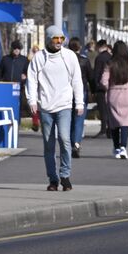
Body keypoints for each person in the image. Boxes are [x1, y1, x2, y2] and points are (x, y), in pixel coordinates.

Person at [27, 26, 85, 191]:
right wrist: (32, 100)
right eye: (55, 38)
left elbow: (77, 80)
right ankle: (53, 179)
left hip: (64, 105)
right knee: (48, 144)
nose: (59, 41)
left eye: (61, 38)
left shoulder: (69, 56)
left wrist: (79, 102)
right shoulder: (40, 57)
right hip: (45, 106)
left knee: (65, 140)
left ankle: (65, 175)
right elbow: (32, 80)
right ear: (49, 39)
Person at [100, 41, 128, 159]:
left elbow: (103, 81)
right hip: (127, 93)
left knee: (114, 123)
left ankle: (116, 148)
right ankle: (123, 147)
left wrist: (109, 88)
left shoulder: (110, 63)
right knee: (125, 122)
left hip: (114, 94)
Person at [67, 37, 92, 158]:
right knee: (79, 119)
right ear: (80, 47)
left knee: (70, 119)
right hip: (81, 91)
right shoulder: (84, 61)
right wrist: (94, 90)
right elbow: (90, 77)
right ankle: (76, 144)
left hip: (67, 92)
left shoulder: (65, 60)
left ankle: (71, 143)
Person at [91, 39, 113, 137]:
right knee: (109, 109)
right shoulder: (110, 57)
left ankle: (103, 129)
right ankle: (110, 129)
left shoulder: (99, 58)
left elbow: (96, 73)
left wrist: (94, 87)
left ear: (99, 46)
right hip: (110, 86)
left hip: (100, 87)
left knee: (102, 109)